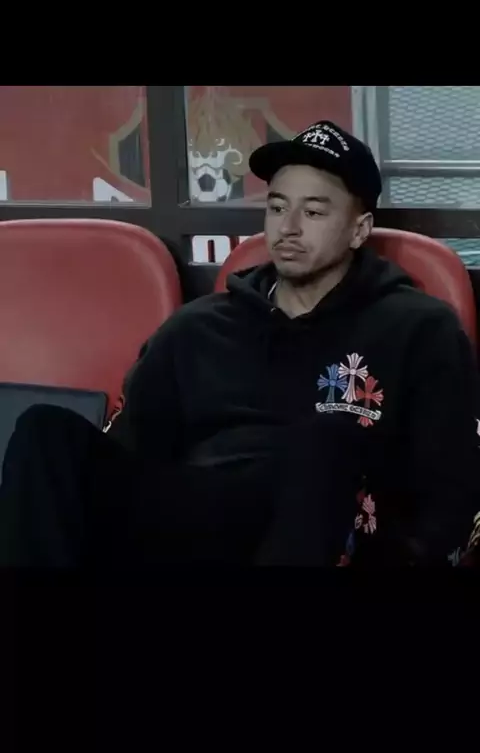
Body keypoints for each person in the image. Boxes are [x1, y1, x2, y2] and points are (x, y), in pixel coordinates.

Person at [0, 119, 479, 567]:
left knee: (326, 441)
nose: (288, 227)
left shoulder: (418, 329)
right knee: (45, 432)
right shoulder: (196, 329)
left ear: (359, 230)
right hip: (199, 520)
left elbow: (449, 495)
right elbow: (131, 456)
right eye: (277, 207)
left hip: (328, 531)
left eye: (313, 212)